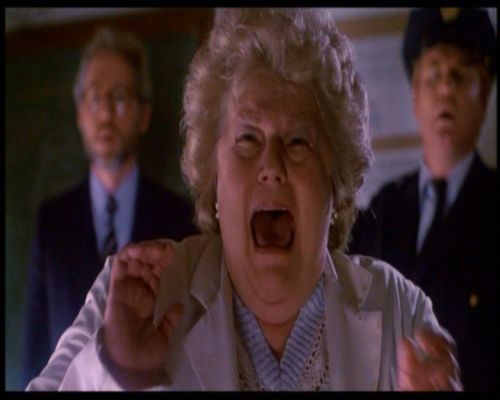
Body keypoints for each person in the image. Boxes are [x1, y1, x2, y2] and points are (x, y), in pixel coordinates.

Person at [26, 9, 461, 391]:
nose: (271, 165)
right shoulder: (135, 297)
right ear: (213, 177)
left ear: (335, 182)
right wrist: (118, 371)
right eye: (248, 139)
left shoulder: (400, 310)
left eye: (298, 142)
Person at [22, 27, 198, 387]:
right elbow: (34, 354)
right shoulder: (51, 222)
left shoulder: (182, 218)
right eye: (94, 97)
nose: (105, 112)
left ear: (144, 114)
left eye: (119, 97)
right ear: (79, 114)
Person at [349, 8, 496, 390]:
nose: (446, 89)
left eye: (460, 75)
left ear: (484, 97)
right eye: (434, 74)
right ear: (416, 96)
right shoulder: (384, 208)